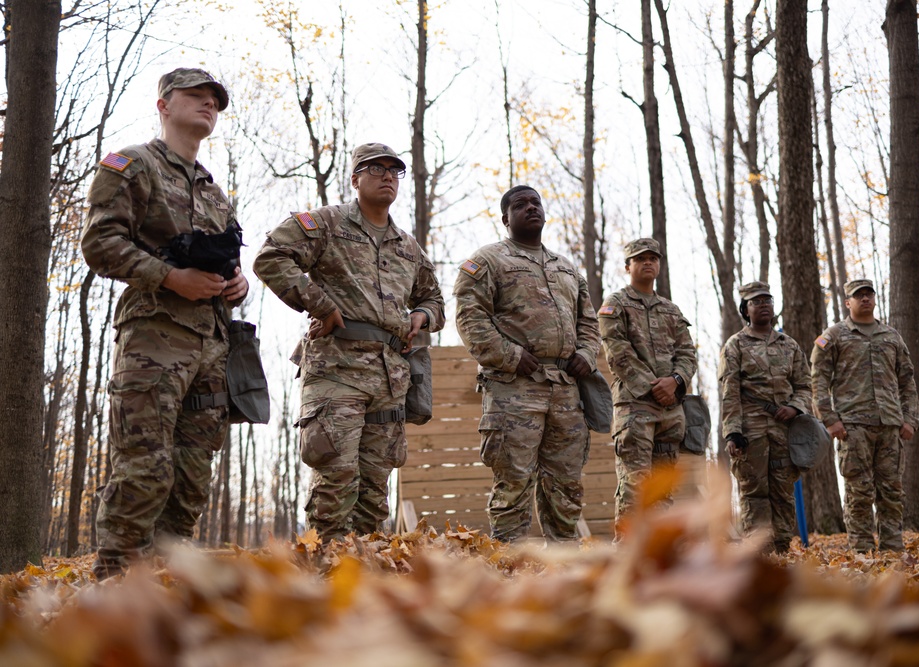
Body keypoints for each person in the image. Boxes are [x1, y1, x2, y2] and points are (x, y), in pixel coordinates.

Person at [81, 68, 248, 578]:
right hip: (155, 338)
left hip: (212, 345)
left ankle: (165, 583)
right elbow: (99, 244)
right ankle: (115, 588)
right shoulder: (133, 165)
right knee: (145, 467)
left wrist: (236, 285)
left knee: (193, 475)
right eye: (195, 96)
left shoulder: (214, 193)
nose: (207, 105)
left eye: (214, 100)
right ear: (163, 104)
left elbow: (220, 263)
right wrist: (171, 278)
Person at [254, 143, 444, 541]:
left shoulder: (407, 246)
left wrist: (421, 315)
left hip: (390, 377)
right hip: (336, 368)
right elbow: (271, 257)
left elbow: (435, 299)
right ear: (355, 179)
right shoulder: (326, 223)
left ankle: (369, 576)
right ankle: (327, 572)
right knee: (336, 476)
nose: (388, 176)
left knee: (375, 491)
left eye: (395, 170)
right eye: (376, 169)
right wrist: (319, 304)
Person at [453, 185, 601, 542]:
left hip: (566, 391)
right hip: (513, 388)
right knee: (514, 483)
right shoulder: (488, 261)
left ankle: (564, 566)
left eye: (536, 202)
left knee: (566, 485)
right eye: (520, 205)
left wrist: (586, 354)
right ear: (506, 219)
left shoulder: (566, 268)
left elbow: (589, 321)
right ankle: (509, 568)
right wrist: (510, 356)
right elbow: (470, 317)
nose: (531, 208)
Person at [597, 239, 698, 535]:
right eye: (640, 259)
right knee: (635, 483)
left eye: (653, 258)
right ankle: (628, 555)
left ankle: (660, 554)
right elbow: (617, 352)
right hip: (635, 407)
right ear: (628, 266)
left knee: (662, 490)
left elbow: (688, 353)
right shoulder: (615, 304)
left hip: (671, 411)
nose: (648, 263)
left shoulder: (671, 310)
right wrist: (653, 387)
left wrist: (676, 381)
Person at [811, 278, 918, 553]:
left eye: (869, 294)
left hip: (889, 426)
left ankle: (893, 548)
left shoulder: (892, 336)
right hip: (853, 426)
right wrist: (829, 418)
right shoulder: (833, 336)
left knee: (892, 492)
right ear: (848, 302)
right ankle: (861, 550)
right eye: (859, 295)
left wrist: (910, 419)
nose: (865, 299)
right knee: (859, 493)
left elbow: (907, 381)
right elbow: (818, 379)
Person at [718, 281, 812, 553]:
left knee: (783, 492)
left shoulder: (789, 345)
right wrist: (733, 432)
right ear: (745, 310)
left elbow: (805, 385)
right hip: (750, 431)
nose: (763, 305)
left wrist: (795, 407)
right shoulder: (735, 345)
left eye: (767, 300)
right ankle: (758, 552)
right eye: (756, 302)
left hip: (784, 431)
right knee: (754, 493)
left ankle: (783, 549)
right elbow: (730, 391)